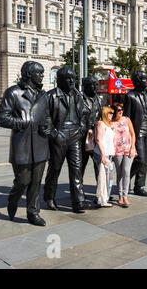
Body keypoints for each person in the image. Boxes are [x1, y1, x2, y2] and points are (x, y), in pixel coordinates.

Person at [0, 61, 50, 226]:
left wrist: (47, 127)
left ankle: (33, 213)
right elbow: (0, 118)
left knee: (36, 182)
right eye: (39, 73)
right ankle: (13, 199)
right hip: (22, 145)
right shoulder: (13, 93)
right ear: (29, 75)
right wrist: (21, 122)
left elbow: (46, 116)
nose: (42, 76)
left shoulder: (43, 94)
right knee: (23, 180)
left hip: (40, 144)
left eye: (42, 73)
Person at [44, 67, 88, 214]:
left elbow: (83, 113)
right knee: (55, 168)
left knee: (76, 168)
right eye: (68, 78)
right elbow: (45, 118)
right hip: (59, 134)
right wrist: (55, 134)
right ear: (60, 79)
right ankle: (49, 197)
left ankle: (78, 201)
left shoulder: (78, 95)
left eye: (73, 78)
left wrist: (82, 128)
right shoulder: (51, 96)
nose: (71, 81)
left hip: (75, 134)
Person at [111, 103, 136, 207]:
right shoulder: (110, 122)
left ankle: (125, 196)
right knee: (119, 172)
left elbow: (133, 134)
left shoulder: (127, 119)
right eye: (118, 110)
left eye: (122, 109)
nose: (120, 111)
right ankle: (120, 196)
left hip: (128, 149)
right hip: (116, 150)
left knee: (126, 171)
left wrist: (132, 147)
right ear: (114, 112)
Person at [81, 76, 105, 181]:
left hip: (96, 136)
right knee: (80, 166)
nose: (94, 86)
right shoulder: (79, 100)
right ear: (85, 86)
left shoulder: (100, 100)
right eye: (91, 84)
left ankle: (100, 191)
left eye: (96, 84)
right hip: (82, 136)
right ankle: (78, 192)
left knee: (99, 165)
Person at [94, 106, 115, 208]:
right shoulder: (101, 124)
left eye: (112, 113)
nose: (112, 115)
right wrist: (103, 154)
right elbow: (98, 140)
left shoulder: (108, 124)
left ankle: (103, 198)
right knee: (103, 177)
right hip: (103, 154)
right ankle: (102, 199)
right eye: (109, 113)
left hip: (108, 154)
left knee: (108, 177)